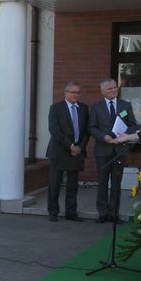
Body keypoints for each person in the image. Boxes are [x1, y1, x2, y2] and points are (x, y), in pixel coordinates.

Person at [89, 78, 138, 224]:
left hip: (120, 150)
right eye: (110, 89)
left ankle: (114, 213)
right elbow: (91, 128)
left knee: (117, 183)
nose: (113, 90)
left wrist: (125, 135)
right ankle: (102, 213)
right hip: (103, 150)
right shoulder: (96, 107)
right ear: (102, 91)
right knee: (103, 183)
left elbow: (133, 125)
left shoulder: (125, 105)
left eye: (115, 87)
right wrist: (103, 137)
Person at [46, 81, 89, 222]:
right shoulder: (56, 108)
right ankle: (53, 212)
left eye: (78, 92)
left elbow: (86, 132)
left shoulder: (83, 108)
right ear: (66, 93)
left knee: (72, 184)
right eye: (73, 92)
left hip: (77, 151)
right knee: (55, 183)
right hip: (59, 150)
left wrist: (79, 147)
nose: (76, 95)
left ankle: (71, 212)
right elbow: (54, 131)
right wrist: (70, 146)